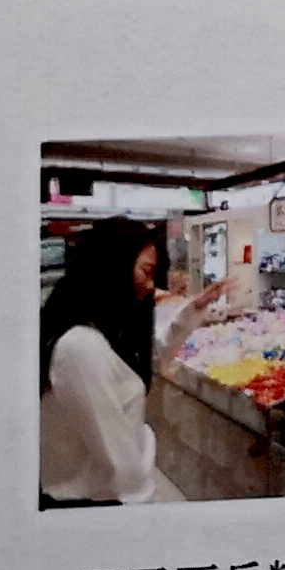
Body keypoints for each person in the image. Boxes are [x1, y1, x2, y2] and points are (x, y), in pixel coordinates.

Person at [38, 217, 235, 507]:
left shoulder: (102, 333)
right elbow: (118, 458)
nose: (151, 286)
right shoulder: (82, 348)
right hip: (94, 501)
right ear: (111, 266)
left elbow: (149, 357)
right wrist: (145, 510)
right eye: (146, 271)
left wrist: (194, 309)